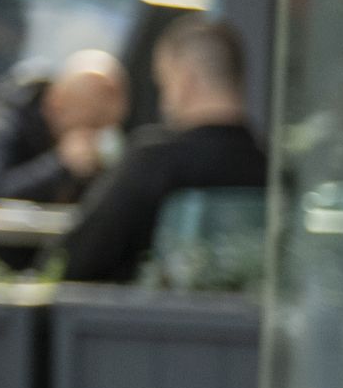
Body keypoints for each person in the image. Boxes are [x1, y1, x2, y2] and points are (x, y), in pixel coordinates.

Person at [57, 17, 268, 285]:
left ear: (185, 81)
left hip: (146, 325)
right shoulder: (271, 169)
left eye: (163, 83)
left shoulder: (152, 163)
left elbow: (75, 261)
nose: (163, 100)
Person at [0, 46, 129, 207]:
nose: (93, 138)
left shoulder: (96, 153)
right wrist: (60, 162)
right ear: (58, 104)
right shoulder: (3, 121)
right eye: (91, 123)